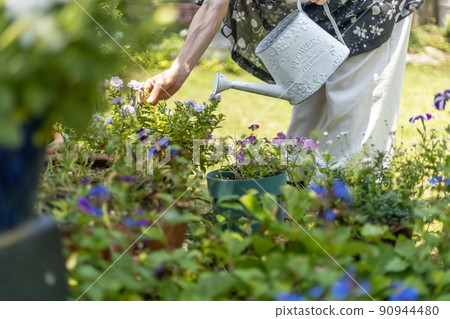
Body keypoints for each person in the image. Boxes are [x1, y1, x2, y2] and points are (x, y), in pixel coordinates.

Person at [142, 0, 424, 165]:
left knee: (354, 117)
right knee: (306, 118)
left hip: (369, 9)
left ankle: (353, 228)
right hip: (317, 16)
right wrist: (179, 68)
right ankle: (297, 211)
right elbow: (216, 3)